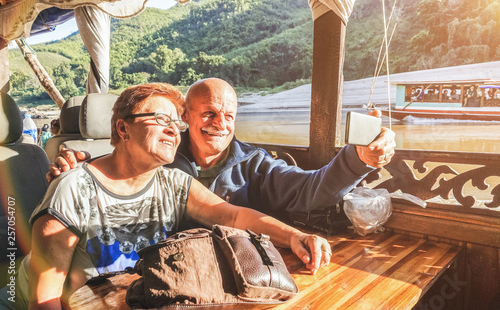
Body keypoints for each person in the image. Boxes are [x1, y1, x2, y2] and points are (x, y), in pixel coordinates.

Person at [0, 83, 330, 309]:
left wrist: (295, 235)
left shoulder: (171, 183)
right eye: (160, 119)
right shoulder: (73, 189)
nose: (173, 128)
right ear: (122, 129)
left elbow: (232, 215)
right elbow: (45, 299)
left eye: (176, 121)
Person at [48, 78, 395, 217]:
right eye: (210, 113)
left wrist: (358, 158)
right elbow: (116, 169)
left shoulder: (254, 164)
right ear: (186, 116)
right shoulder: (159, 154)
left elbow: (309, 190)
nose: (220, 123)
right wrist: (77, 170)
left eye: (229, 115)